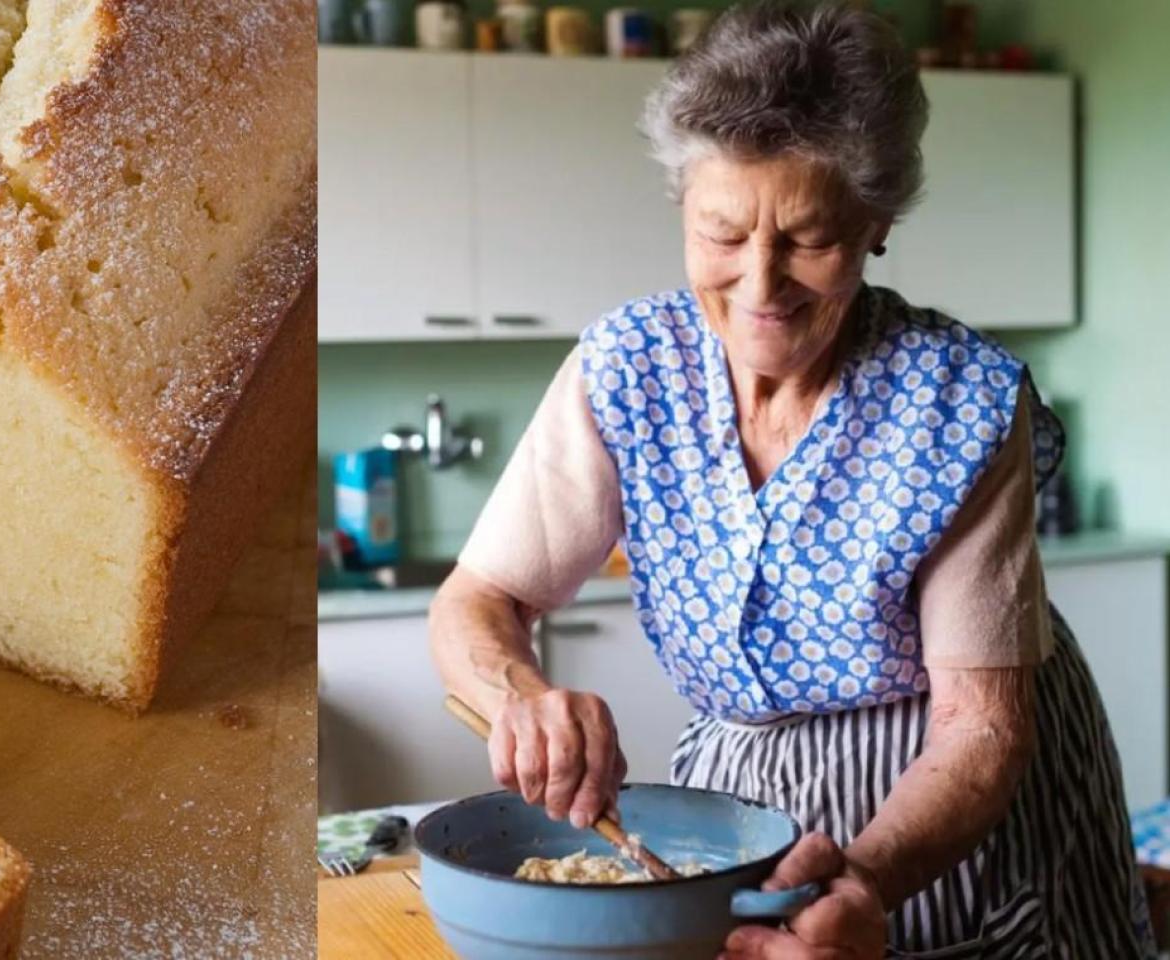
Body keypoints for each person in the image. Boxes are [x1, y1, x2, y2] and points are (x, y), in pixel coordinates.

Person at [429, 2, 1150, 955]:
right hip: (742, 800)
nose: (761, 288)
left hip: (951, 804)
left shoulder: (960, 402)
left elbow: (981, 727)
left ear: (876, 221)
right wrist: (520, 692)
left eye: (809, 239)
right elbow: (479, 597)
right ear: (684, 203)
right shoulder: (627, 367)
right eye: (724, 235)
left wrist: (865, 877)